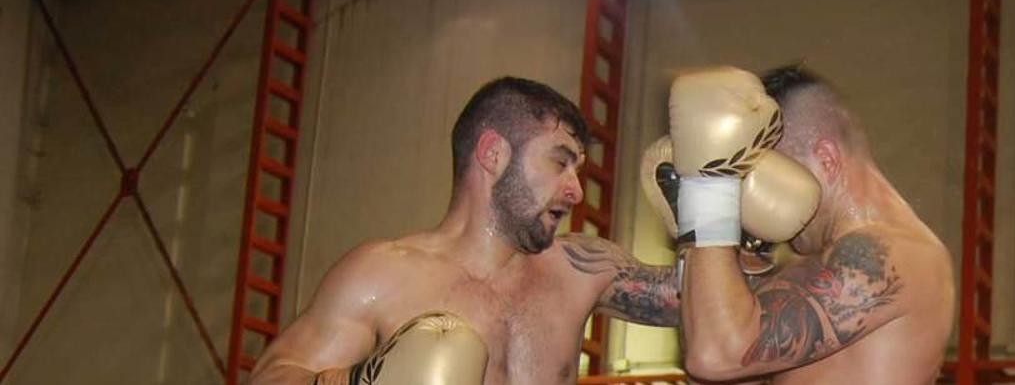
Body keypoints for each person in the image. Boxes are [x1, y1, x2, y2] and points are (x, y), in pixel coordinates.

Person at [250, 77, 679, 385]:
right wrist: (362, 381)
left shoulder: (581, 268)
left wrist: (709, 207)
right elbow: (271, 377)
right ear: (493, 154)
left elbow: (696, 311)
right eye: (559, 162)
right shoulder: (382, 275)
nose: (576, 190)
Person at [671, 65, 954, 384]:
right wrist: (695, 234)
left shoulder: (891, 255)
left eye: (776, 173)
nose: (765, 192)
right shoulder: (817, 262)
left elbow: (717, 354)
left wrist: (708, 191)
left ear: (827, 159)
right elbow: (714, 343)